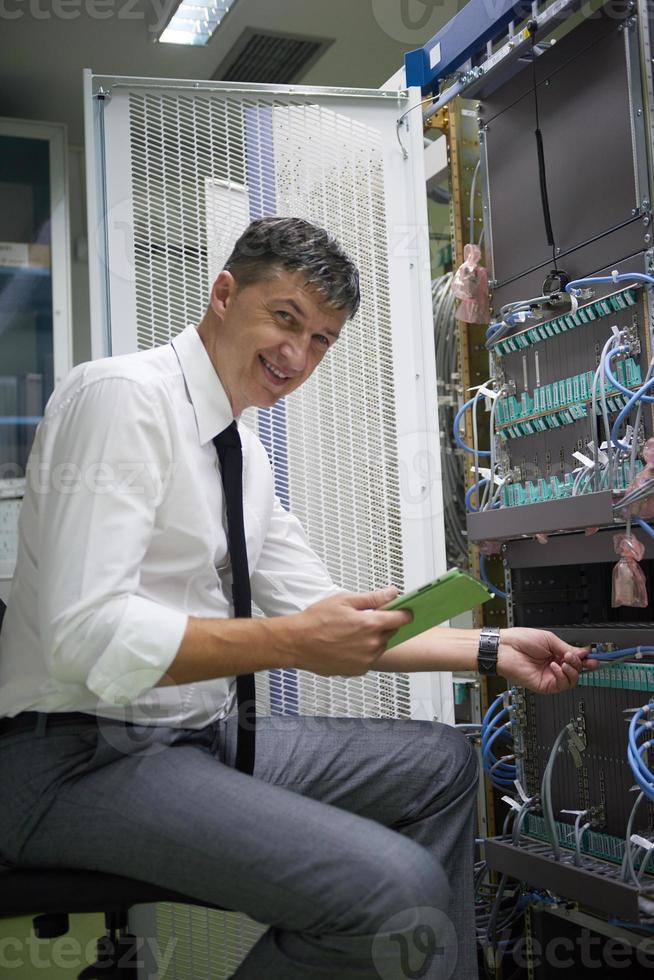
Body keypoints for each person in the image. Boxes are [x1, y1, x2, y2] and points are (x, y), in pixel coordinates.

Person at [0, 217, 591, 980]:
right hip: (71, 759)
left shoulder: (240, 452)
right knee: (392, 891)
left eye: (321, 340)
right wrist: (291, 643)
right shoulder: (124, 399)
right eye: (285, 319)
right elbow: (85, 637)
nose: (296, 355)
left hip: (192, 739)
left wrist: (490, 649)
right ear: (223, 295)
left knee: (443, 762)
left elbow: (333, 620)